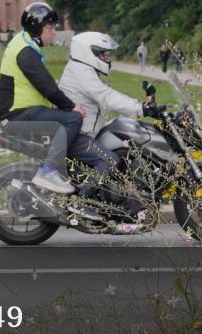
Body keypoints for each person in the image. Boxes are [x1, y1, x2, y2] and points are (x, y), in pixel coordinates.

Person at [59, 32, 162, 218]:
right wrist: (140, 109)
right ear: (88, 52)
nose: (107, 58)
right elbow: (106, 97)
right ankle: (80, 201)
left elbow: (106, 96)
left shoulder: (82, 70)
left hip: (83, 131)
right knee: (109, 160)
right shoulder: (81, 72)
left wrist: (139, 105)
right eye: (103, 54)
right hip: (77, 135)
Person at [0, 2, 87, 196]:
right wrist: (72, 107)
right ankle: (49, 171)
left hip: (22, 113)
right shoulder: (25, 52)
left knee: (65, 118)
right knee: (72, 119)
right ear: (38, 29)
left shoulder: (23, 43)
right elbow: (47, 87)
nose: (54, 32)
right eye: (50, 28)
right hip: (16, 117)